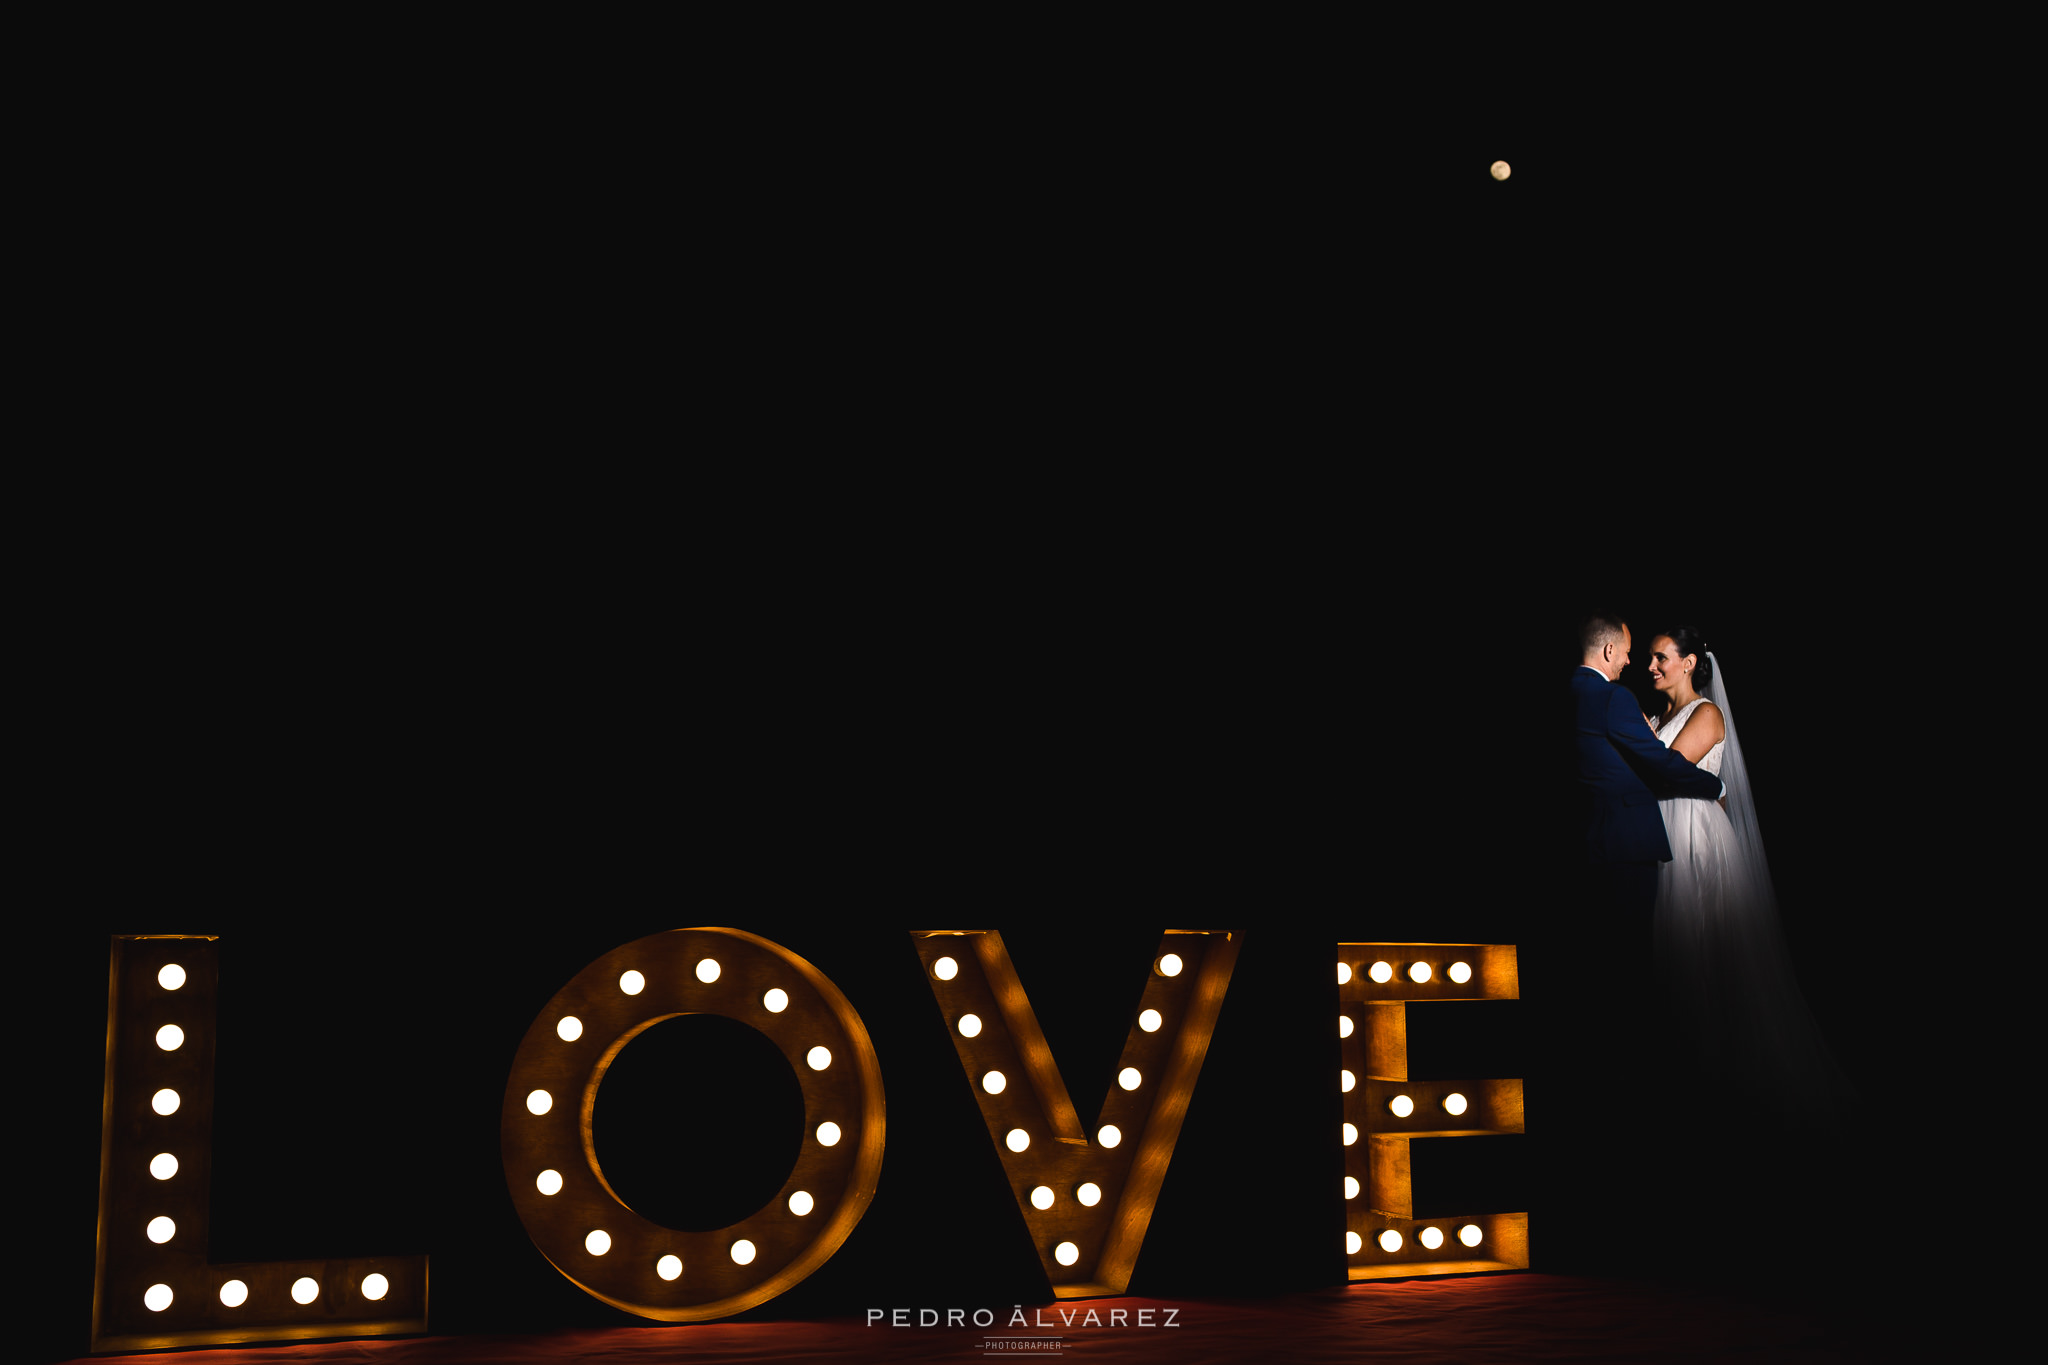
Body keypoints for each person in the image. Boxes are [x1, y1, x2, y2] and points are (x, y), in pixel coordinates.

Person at [1643, 627, 1855, 1130]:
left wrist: (1644, 748)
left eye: (1659, 658)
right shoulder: (1657, 717)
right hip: (1662, 833)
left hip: (1694, 835)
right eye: (1649, 659)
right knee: (1671, 953)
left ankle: (1728, 1086)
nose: (1650, 667)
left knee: (1707, 949)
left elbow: (1669, 771)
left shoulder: (1705, 713)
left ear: (1689, 662)